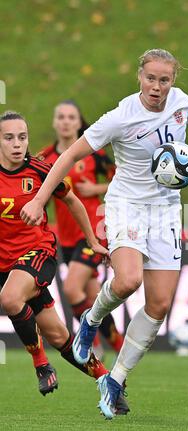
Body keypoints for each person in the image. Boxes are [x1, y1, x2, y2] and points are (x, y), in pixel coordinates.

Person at [21, 48, 188, 419]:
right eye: (151, 78)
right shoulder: (120, 117)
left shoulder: (178, 102)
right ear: (139, 77)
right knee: (127, 281)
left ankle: (116, 379)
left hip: (166, 212)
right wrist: (38, 200)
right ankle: (91, 321)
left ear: (173, 80)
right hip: (126, 205)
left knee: (159, 304)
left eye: (164, 80)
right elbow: (67, 157)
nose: (157, 87)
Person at [0, 110, 129, 413]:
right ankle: (106, 379)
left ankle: (42, 366)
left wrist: (94, 241)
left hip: (38, 252)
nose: (17, 144)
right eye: (9, 138)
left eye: (22, 137)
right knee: (58, 334)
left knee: (9, 297)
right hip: (6, 265)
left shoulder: (40, 170)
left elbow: (73, 201)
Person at [38, 100, 124, 356]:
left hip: (94, 233)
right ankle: (119, 346)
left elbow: (121, 178)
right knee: (93, 296)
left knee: (71, 288)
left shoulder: (93, 154)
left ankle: (91, 342)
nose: (65, 121)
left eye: (71, 117)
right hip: (65, 236)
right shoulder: (46, 158)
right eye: (61, 117)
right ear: (55, 122)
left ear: (78, 122)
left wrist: (96, 189)